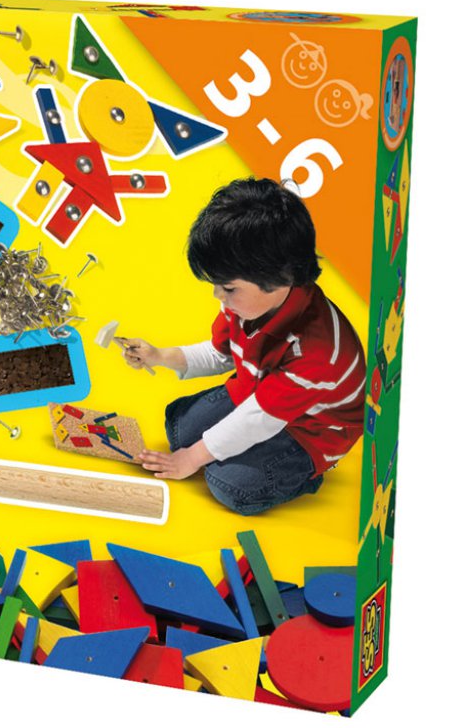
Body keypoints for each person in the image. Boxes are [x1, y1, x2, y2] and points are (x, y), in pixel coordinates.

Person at [122, 178, 365, 515]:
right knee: (178, 428)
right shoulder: (245, 304)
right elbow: (219, 353)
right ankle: (234, 449)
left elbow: (257, 420)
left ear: (279, 279)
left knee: (228, 485)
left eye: (228, 288)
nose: (218, 296)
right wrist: (160, 355)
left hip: (312, 430)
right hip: (263, 393)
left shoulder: (317, 353)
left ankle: (303, 476)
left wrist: (192, 459)